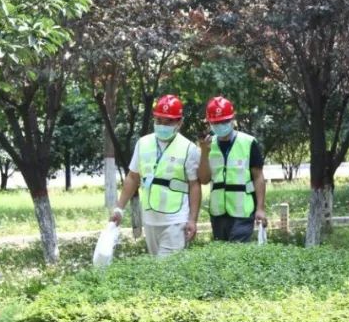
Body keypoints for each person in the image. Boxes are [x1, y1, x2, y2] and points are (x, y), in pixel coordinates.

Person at [110, 94, 202, 256]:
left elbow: (194, 185)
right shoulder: (143, 143)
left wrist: (192, 219)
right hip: (150, 218)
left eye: (168, 122)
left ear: (179, 122)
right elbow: (133, 177)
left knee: (166, 267)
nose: (162, 125)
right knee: (156, 267)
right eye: (159, 120)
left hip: (176, 220)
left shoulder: (189, 148)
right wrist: (119, 208)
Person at [198, 96, 268, 242]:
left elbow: (258, 177)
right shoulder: (208, 145)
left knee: (237, 250)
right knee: (222, 253)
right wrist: (204, 152)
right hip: (218, 213)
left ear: (232, 119)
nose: (220, 125)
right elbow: (203, 179)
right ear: (209, 122)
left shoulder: (248, 142)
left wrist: (260, 208)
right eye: (216, 122)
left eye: (224, 121)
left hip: (243, 212)